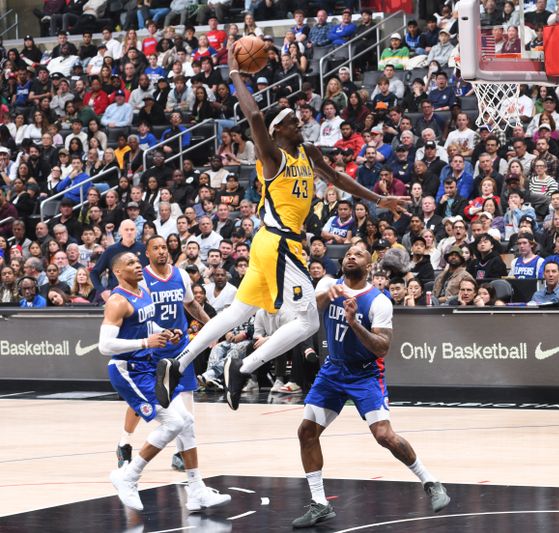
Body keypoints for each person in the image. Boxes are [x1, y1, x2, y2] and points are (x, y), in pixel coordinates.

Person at [155, 44, 410, 411]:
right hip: (278, 243)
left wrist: (377, 199)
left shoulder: (308, 154)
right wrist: (237, 73)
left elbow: (336, 176)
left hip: (268, 244)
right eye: (292, 120)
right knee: (307, 321)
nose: (300, 121)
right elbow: (255, 116)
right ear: (278, 132)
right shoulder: (273, 157)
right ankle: (242, 366)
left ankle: (177, 366)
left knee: (236, 313)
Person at [293, 246, 450, 527]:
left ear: (369, 266)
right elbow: (304, 314)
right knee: (306, 431)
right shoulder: (329, 285)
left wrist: (353, 323)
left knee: (384, 435)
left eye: (359, 254)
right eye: (349, 253)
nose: (351, 256)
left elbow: (382, 348)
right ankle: (319, 503)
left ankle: (431, 482)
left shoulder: (379, 302)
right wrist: (321, 296)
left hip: (365, 374)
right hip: (333, 370)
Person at [100, 252, 230, 512]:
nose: (137, 266)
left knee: (187, 421)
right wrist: (144, 343)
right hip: (128, 370)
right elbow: (105, 346)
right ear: (117, 272)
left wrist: (165, 332)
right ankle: (128, 476)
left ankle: (196, 491)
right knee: (174, 422)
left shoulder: (143, 292)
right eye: (130, 264)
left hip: (147, 366)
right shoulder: (117, 301)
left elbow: (147, 325)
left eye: (138, 263)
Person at [115, 236, 211, 472]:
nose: (161, 252)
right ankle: (125, 442)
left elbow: (191, 304)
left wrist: (211, 326)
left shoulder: (181, 275)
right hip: (153, 347)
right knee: (143, 402)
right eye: (155, 248)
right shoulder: (142, 279)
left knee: (186, 398)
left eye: (164, 248)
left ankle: (180, 452)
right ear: (147, 253)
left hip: (180, 346)